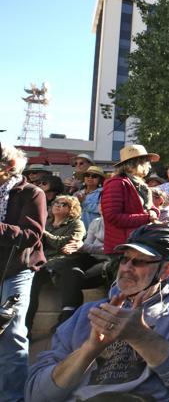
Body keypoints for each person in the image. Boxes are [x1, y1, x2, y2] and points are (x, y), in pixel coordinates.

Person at [25, 224, 169, 401]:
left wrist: (140, 336)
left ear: (166, 269)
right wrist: (90, 349)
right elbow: (37, 394)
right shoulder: (88, 313)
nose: (126, 268)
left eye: (139, 261)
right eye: (124, 259)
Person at [0, 144, 46, 401]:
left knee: (11, 334)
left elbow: (31, 235)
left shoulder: (32, 193)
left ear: (9, 168)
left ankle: (12, 397)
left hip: (17, 270)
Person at [26, 195, 86, 333]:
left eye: (64, 204)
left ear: (72, 209)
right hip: (41, 262)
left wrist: (42, 233)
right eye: (56, 203)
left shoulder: (76, 224)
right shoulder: (45, 222)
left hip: (61, 262)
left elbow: (64, 243)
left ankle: (64, 324)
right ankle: (26, 327)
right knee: (31, 286)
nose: (58, 205)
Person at [48, 205, 110, 327]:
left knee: (75, 276)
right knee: (70, 267)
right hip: (91, 257)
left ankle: (67, 317)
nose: (103, 206)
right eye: (101, 203)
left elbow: (112, 249)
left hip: (108, 261)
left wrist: (84, 247)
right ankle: (68, 312)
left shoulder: (119, 223)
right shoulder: (96, 221)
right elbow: (87, 245)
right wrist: (76, 247)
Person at [101, 145, 160, 256]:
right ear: (138, 163)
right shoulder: (116, 184)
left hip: (139, 243)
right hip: (123, 248)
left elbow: (150, 207)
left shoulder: (140, 184)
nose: (149, 166)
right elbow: (113, 217)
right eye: (147, 161)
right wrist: (147, 218)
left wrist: (154, 211)